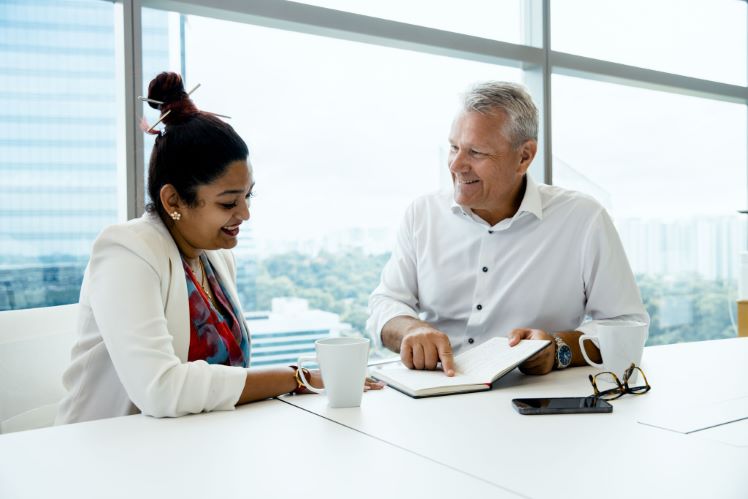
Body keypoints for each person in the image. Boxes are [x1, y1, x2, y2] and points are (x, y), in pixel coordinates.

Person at [57, 72, 382, 424]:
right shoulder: (127, 251)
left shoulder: (217, 256)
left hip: (196, 447)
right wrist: (295, 377)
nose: (245, 213)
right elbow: (160, 388)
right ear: (173, 200)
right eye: (228, 203)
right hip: (106, 455)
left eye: (248, 196)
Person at [367, 81, 648, 377]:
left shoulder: (582, 219)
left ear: (524, 156)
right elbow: (386, 302)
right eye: (453, 148)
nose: (456, 165)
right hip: (433, 395)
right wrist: (410, 330)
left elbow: (627, 325)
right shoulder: (422, 214)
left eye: (476, 152)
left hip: (530, 403)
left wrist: (558, 349)